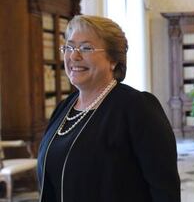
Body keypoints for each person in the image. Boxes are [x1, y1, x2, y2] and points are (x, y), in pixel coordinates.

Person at [37, 15, 180, 202]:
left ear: (113, 60)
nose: (74, 56)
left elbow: (165, 190)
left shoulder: (137, 107)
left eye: (86, 48)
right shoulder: (64, 108)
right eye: (69, 47)